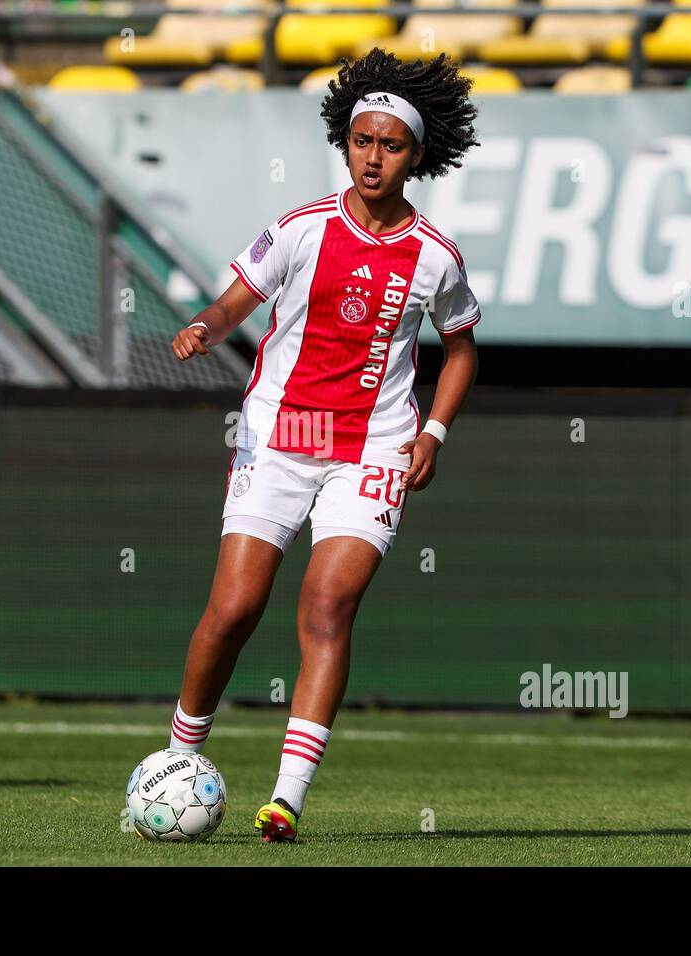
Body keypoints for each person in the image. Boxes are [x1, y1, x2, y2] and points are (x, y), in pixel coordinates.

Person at [165, 49, 481, 842]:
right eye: (362, 141)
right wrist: (207, 325)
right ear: (345, 141)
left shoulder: (436, 256)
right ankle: (178, 763)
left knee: (329, 606)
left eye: (391, 145)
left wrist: (433, 432)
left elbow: (463, 347)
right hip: (278, 437)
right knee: (233, 609)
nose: (374, 157)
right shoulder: (303, 228)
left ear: (417, 155)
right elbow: (240, 296)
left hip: (374, 448)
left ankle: (286, 801)